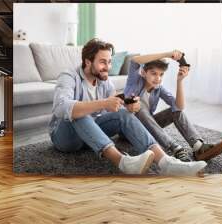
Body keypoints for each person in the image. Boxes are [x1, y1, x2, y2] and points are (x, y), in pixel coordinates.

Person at [49, 39, 207, 175]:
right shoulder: (69, 76)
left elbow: (111, 111)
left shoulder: (105, 82)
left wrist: (126, 108)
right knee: (80, 112)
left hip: (90, 134)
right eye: (103, 62)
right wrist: (104, 103)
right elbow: (61, 108)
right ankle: (123, 162)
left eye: (109, 61)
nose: (108, 67)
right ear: (88, 62)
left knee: (124, 115)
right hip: (66, 138)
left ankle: (166, 162)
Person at [123, 50, 222, 162]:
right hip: (128, 129)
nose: (158, 78)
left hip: (147, 127)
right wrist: (167, 54)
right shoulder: (134, 81)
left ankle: (198, 147)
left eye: (161, 74)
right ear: (144, 73)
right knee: (140, 107)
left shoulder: (158, 89)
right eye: (154, 73)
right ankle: (175, 148)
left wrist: (179, 81)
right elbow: (134, 60)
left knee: (175, 111)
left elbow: (179, 107)